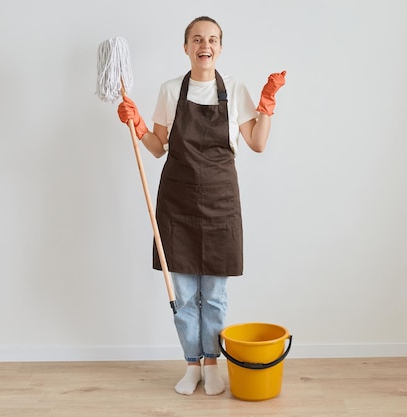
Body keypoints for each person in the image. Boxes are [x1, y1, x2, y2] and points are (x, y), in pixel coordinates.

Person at [117, 16, 286, 396]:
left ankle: (213, 364)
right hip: (177, 203)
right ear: (186, 47)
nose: (204, 45)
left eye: (211, 39)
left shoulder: (236, 89)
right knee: (181, 292)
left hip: (221, 202)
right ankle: (191, 364)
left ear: (220, 48)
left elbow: (257, 143)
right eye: (197, 39)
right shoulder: (170, 90)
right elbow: (159, 147)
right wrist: (138, 123)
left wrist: (267, 104)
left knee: (213, 295)